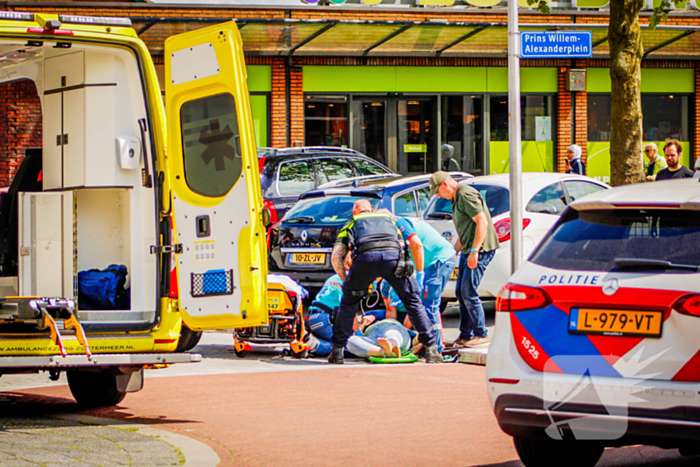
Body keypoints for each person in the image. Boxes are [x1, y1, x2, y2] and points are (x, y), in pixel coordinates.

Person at [328, 199, 441, 364]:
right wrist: (418, 272)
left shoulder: (352, 222)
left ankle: (337, 352)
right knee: (413, 302)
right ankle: (431, 349)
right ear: (372, 209)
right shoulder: (390, 218)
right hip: (394, 260)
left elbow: (336, 255)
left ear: (355, 212)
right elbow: (411, 243)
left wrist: (347, 282)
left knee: (348, 304)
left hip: (365, 259)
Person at [429, 171, 499, 348]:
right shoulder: (456, 197)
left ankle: (481, 334)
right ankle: (466, 334)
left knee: (468, 291)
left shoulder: (465, 194)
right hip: (469, 248)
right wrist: (453, 252)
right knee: (460, 292)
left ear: (444, 184)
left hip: (479, 249)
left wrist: (475, 251)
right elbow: (465, 229)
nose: (439, 196)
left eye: (437, 192)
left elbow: (481, 222)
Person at [393, 216, 457, 353]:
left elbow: (416, 244)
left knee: (429, 304)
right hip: (436, 262)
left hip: (440, 260)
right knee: (424, 303)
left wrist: (420, 273)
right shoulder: (396, 224)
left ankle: (436, 347)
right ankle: (430, 343)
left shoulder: (399, 223)